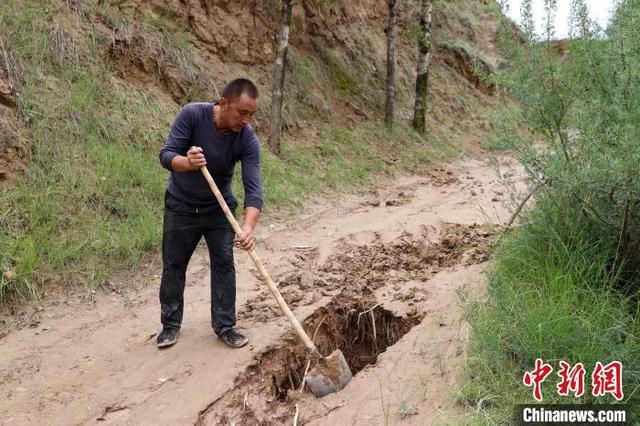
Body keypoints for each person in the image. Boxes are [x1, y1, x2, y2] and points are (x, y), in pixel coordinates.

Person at [156, 78, 263, 349]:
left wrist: (248, 228)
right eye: (242, 112)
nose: (246, 120)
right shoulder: (193, 114)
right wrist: (187, 163)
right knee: (174, 265)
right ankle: (170, 325)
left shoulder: (247, 139)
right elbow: (167, 155)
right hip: (180, 205)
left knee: (224, 265)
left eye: (251, 114)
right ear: (223, 103)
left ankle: (225, 326)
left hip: (219, 211)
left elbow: (254, 190)